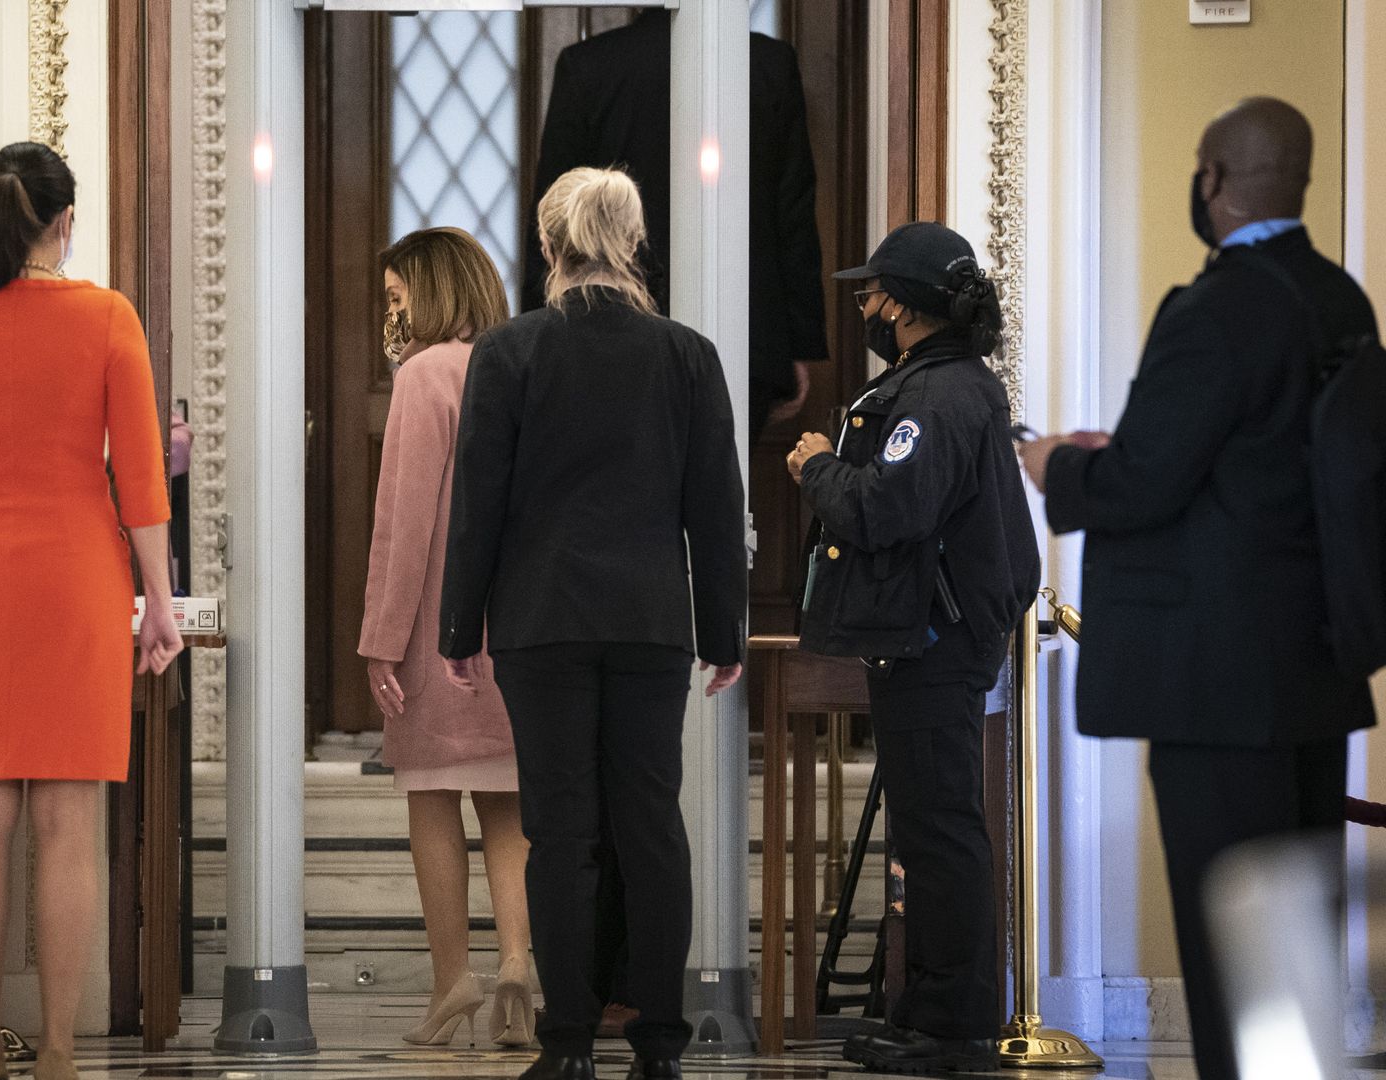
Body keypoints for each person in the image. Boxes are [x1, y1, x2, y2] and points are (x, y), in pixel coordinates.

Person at [1017, 97, 1378, 1080]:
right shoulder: (1340, 298)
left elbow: (1142, 481)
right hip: (1311, 664)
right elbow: (1260, 467)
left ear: (1213, 180)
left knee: (1232, 955)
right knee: (1293, 948)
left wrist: (1059, 465)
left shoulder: (1215, 308)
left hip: (1213, 679)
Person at [441, 166, 748, 1080]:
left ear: (547, 246)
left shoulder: (509, 352)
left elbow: (479, 506)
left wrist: (461, 629)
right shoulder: (687, 355)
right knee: (652, 824)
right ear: (635, 242)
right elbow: (716, 509)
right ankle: (660, 1044)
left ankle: (567, 1042)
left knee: (561, 832)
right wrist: (723, 634)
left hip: (542, 621)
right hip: (654, 622)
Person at [0, 141, 183, 1080]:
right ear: (64, 221)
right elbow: (139, 479)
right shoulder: (108, 318)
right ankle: (57, 1048)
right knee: (68, 824)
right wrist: (162, 604)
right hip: (76, 582)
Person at [787, 221, 1038, 1074]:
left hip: (935, 641)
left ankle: (955, 1024)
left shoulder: (936, 398)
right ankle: (929, 1010)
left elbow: (887, 509)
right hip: (929, 638)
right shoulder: (944, 386)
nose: (863, 303)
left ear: (905, 304)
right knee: (929, 833)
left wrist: (818, 466)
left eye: (873, 291)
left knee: (941, 834)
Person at [359, 227, 534, 1049]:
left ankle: (452, 978)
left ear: (432, 292)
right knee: (508, 800)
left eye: (398, 298)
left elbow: (406, 521)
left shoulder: (424, 375)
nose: (390, 314)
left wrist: (381, 640)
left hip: (436, 624)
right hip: (516, 621)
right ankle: (519, 964)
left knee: (430, 794)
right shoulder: (518, 365)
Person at [522, 18, 826, 439]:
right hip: (744, 334)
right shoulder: (769, 64)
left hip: (607, 330)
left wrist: (539, 330)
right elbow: (792, 209)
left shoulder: (589, 65)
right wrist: (799, 344)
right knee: (720, 491)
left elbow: (555, 210)